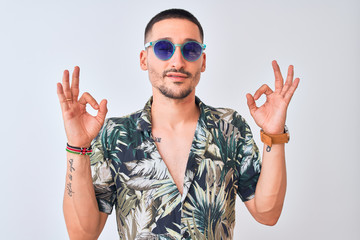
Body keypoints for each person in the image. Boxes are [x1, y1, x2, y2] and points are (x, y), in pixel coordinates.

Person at [57, 8, 299, 240]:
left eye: (190, 49)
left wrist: (274, 134)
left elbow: (268, 214)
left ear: (202, 61)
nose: (178, 61)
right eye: (164, 48)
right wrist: (77, 147)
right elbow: (82, 234)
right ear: (144, 59)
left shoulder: (230, 128)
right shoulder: (115, 135)